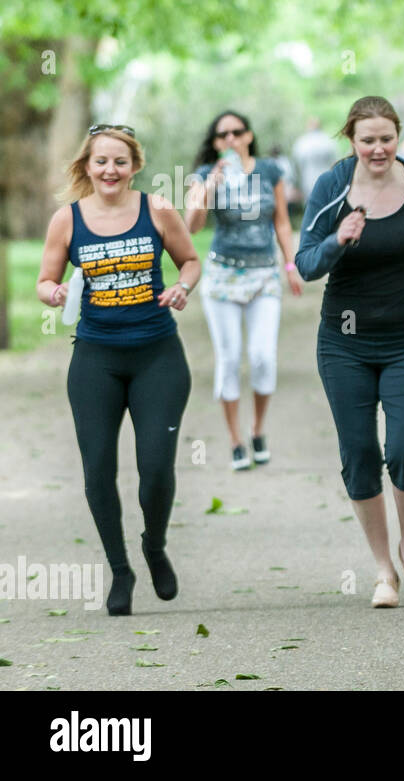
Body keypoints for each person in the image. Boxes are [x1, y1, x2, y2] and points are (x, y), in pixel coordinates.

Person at [294, 96, 404, 609]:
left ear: (399, 137)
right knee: (360, 456)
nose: (378, 148)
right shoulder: (332, 187)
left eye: (386, 138)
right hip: (344, 343)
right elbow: (306, 265)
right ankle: (382, 569)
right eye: (367, 140)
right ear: (351, 140)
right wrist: (339, 240)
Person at [37, 124, 201, 616]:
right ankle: (121, 569)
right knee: (97, 473)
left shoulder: (158, 210)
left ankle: (154, 544)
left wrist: (182, 288)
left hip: (158, 358)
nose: (111, 170)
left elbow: (190, 261)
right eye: (101, 161)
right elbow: (45, 279)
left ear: (134, 166)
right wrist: (55, 292)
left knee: (154, 469)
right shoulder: (66, 221)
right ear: (87, 166)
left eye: (120, 162)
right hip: (95, 361)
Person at [185, 111, 303, 471]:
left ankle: (258, 429)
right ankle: (235, 439)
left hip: (264, 275)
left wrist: (290, 264)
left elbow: (281, 222)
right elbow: (192, 225)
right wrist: (211, 185)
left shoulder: (270, 171)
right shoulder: (206, 175)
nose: (231, 139)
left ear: (249, 135)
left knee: (263, 356)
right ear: (216, 143)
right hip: (223, 277)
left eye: (237, 132)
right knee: (230, 358)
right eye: (223, 135)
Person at [292, 118, 338, 212]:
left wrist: (296, 185)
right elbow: (336, 163)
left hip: (308, 185)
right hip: (327, 184)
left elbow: (296, 167)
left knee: (311, 212)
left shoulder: (302, 142)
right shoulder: (329, 141)